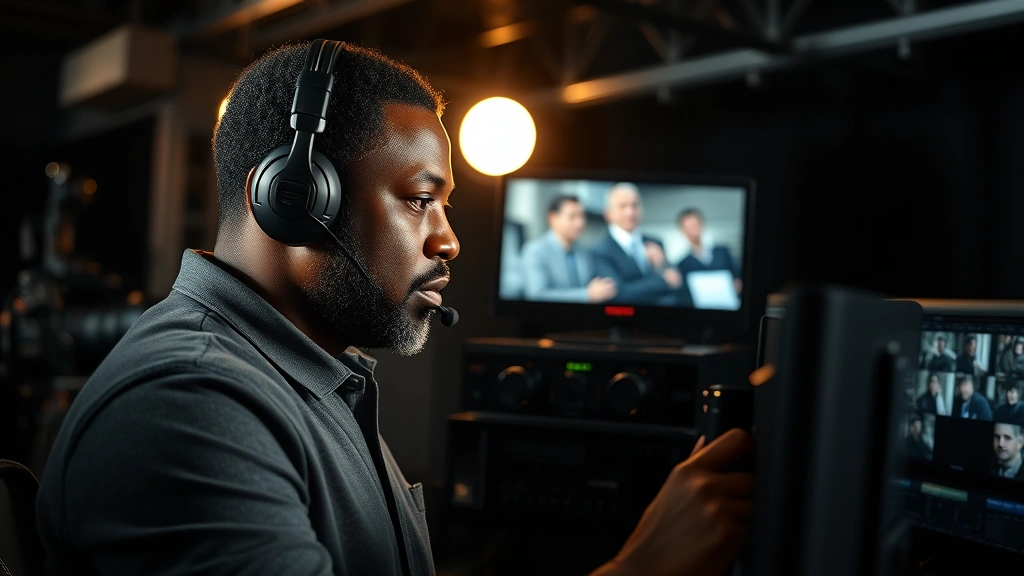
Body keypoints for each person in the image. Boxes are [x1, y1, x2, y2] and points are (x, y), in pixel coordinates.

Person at [35, 41, 754, 576]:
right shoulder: (190, 404)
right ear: (293, 197)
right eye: (420, 199)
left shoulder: (310, 380)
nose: (450, 240)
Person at [590, 183, 681, 305]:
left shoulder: (655, 242)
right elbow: (617, 294)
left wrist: (660, 266)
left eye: (635, 205)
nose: (630, 212)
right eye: (623, 206)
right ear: (608, 213)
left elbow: (675, 281)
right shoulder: (600, 251)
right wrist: (661, 281)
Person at [520, 195, 616, 303]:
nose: (580, 223)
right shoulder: (535, 251)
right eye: (572, 217)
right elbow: (537, 295)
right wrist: (586, 295)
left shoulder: (584, 251)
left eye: (582, 216)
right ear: (553, 218)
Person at [674, 208, 740, 307]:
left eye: (694, 226)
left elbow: (737, 275)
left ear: (701, 224)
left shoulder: (722, 251)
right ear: (683, 230)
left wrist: (737, 284)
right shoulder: (682, 264)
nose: (692, 231)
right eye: (688, 228)